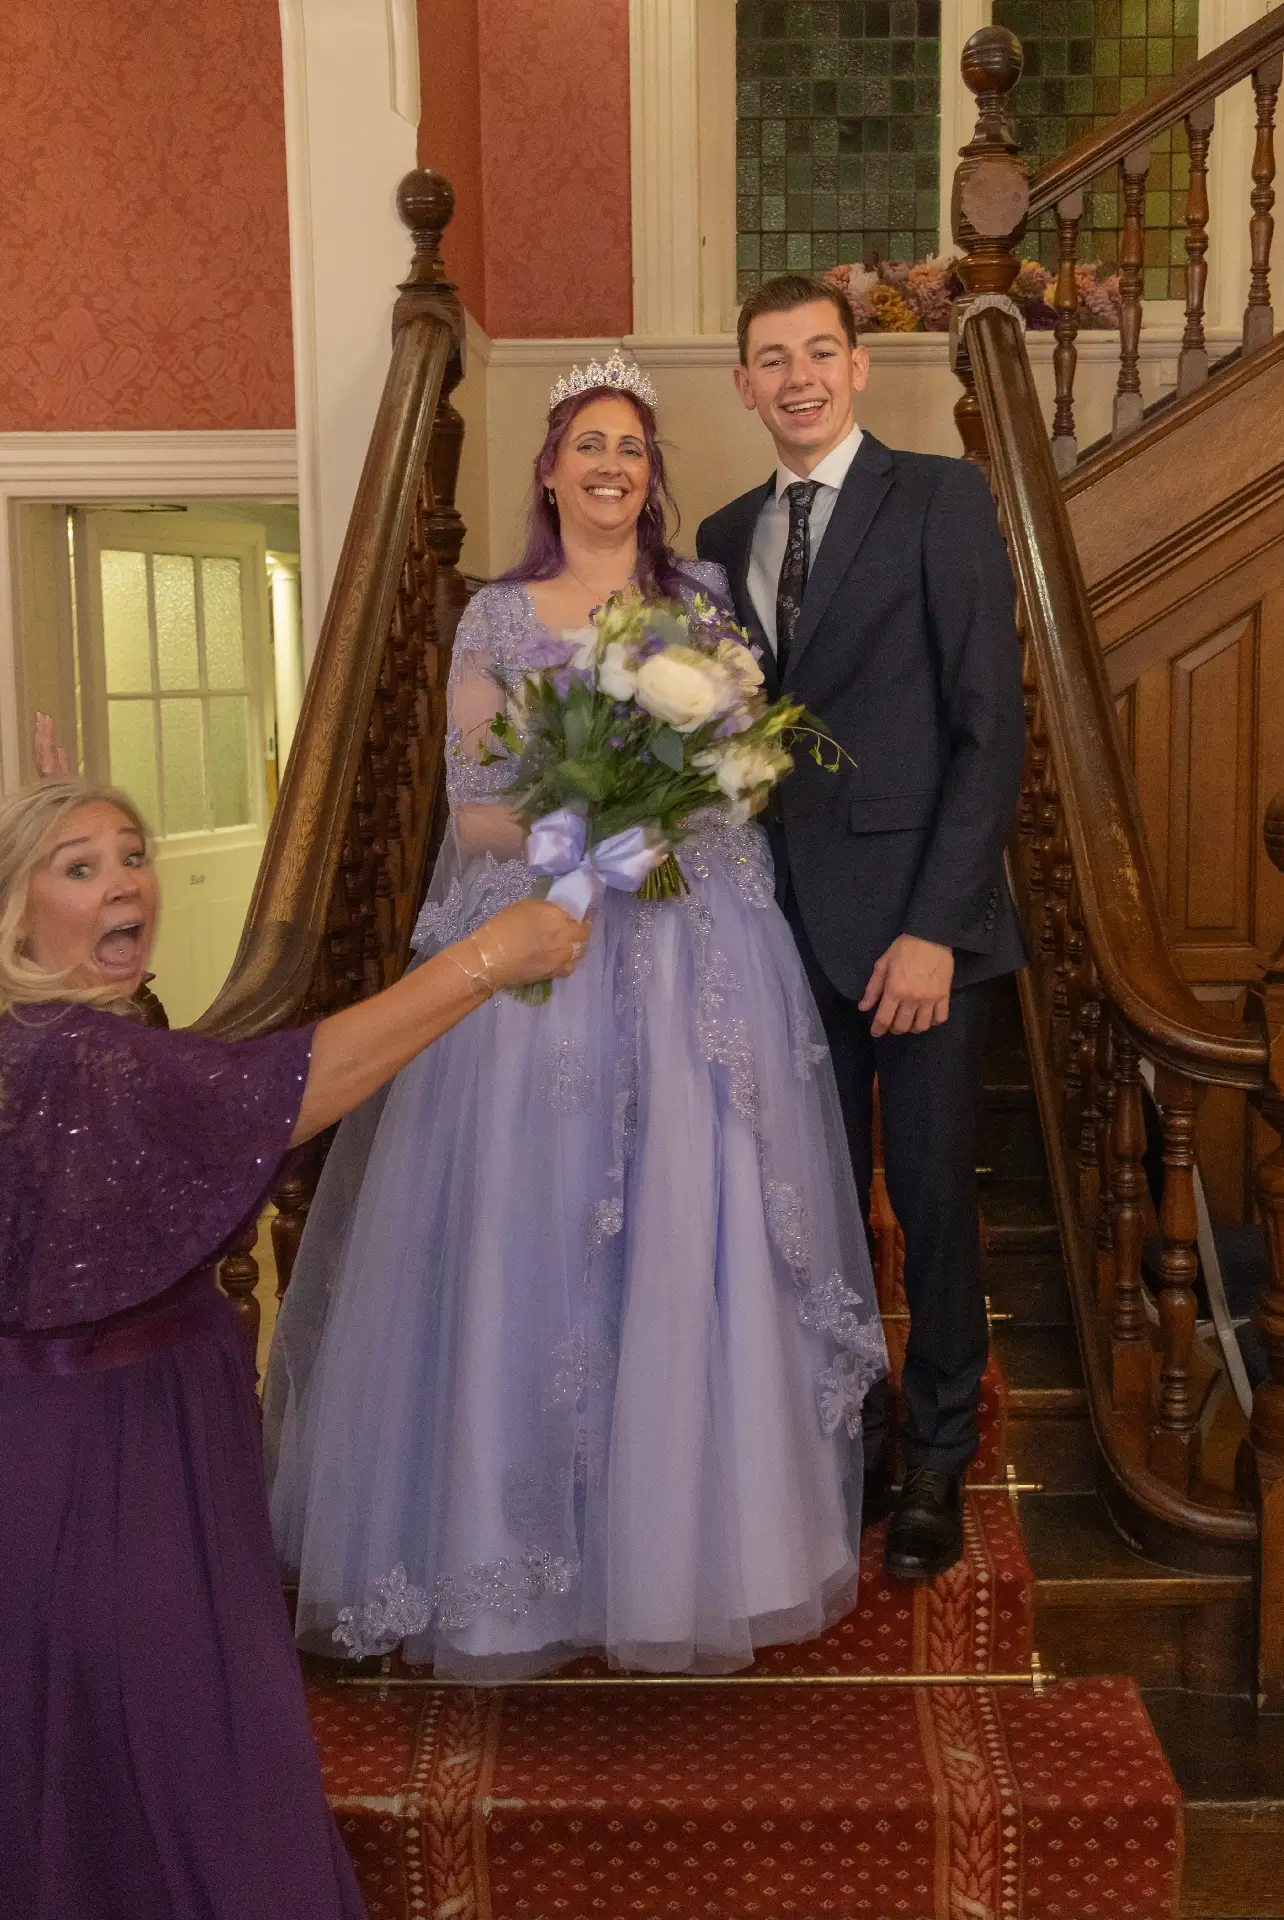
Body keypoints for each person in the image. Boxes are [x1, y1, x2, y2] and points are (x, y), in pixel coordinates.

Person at [265, 353, 886, 1682]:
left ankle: (686, 1556)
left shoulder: (701, 599)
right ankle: (513, 1567)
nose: (610, 467)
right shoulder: (494, 616)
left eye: (631, 449)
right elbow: (474, 812)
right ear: (549, 470)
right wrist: (599, 814)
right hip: (541, 945)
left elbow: (740, 772)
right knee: (527, 1236)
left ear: (652, 478)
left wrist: (682, 798)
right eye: (587, 446)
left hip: (693, 956)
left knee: (688, 1225)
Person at [0, 774, 585, 1920]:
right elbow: (285, 1088)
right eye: (78, 868)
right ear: (17, 917)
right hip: (116, 1461)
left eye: (132, 854)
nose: (124, 882)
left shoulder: (46, 1038)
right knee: (189, 1744)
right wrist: (484, 960)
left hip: (90, 1443)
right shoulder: (82, 1058)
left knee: (78, 1752)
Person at [697, 275, 1027, 1583]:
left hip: (920, 936)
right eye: (768, 359)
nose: (793, 378)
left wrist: (935, 927)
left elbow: (984, 731)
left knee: (935, 1205)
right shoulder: (721, 536)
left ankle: (938, 1454)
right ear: (741, 383)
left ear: (856, 367)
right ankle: (850, 1441)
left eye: (814, 354)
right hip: (774, 934)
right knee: (809, 1213)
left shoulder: (939, 498)